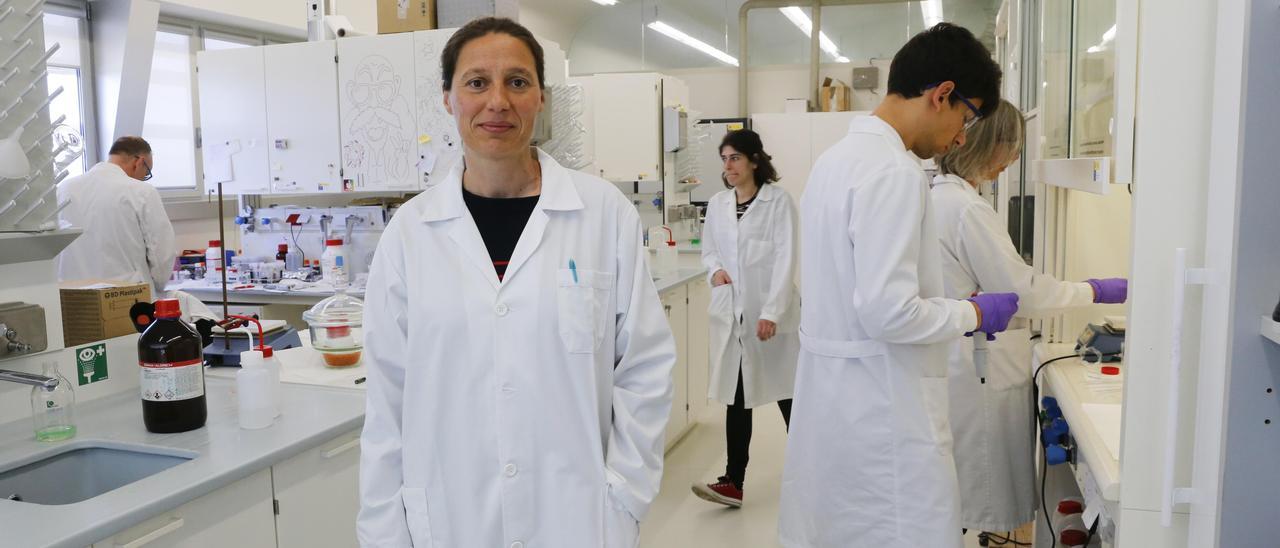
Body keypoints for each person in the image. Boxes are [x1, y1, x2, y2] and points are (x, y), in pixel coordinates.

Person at [357, 17, 676, 548]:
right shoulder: (410, 234)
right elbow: (387, 400)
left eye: (518, 82)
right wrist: (385, 529)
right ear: (448, 98)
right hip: (450, 515)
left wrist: (624, 495)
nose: (498, 101)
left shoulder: (603, 216)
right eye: (477, 82)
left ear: (541, 98)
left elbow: (645, 370)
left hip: (576, 514)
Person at [777, 23, 1020, 548]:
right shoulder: (894, 173)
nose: (961, 137)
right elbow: (889, 313)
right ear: (942, 96)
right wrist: (973, 313)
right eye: (967, 117)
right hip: (882, 413)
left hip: (838, 406)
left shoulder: (834, 163)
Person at [931, 99, 1127, 540]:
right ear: (987, 144)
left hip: (961, 361)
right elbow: (1025, 293)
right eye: (1012, 146)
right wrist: (1095, 290)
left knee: (959, 493)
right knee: (973, 490)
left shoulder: (948, 197)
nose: (1015, 159)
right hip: (977, 366)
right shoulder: (966, 210)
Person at [692, 129, 800, 508]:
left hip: (770, 318)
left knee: (789, 398)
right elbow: (709, 252)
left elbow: (785, 259)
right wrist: (714, 271)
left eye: (735, 157)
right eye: (724, 159)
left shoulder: (778, 202)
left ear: (755, 160)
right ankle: (733, 482)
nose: (728, 166)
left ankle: (816, 471)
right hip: (734, 318)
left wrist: (772, 312)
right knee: (737, 400)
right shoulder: (719, 204)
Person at [57, 136, 175, 296]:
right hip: (127, 297)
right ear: (139, 162)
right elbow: (161, 253)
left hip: (73, 298)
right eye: (147, 172)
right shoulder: (141, 192)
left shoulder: (63, 189)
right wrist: (159, 285)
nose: (144, 178)